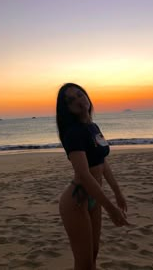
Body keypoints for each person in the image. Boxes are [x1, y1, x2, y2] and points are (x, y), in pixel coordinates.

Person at [56, 83, 129, 270]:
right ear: (67, 109)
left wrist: (118, 193)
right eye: (71, 100)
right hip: (76, 202)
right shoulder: (73, 133)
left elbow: (102, 162)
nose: (78, 101)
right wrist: (111, 208)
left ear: (87, 97)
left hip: (94, 198)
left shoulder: (93, 127)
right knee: (84, 263)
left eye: (80, 95)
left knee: (93, 254)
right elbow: (84, 175)